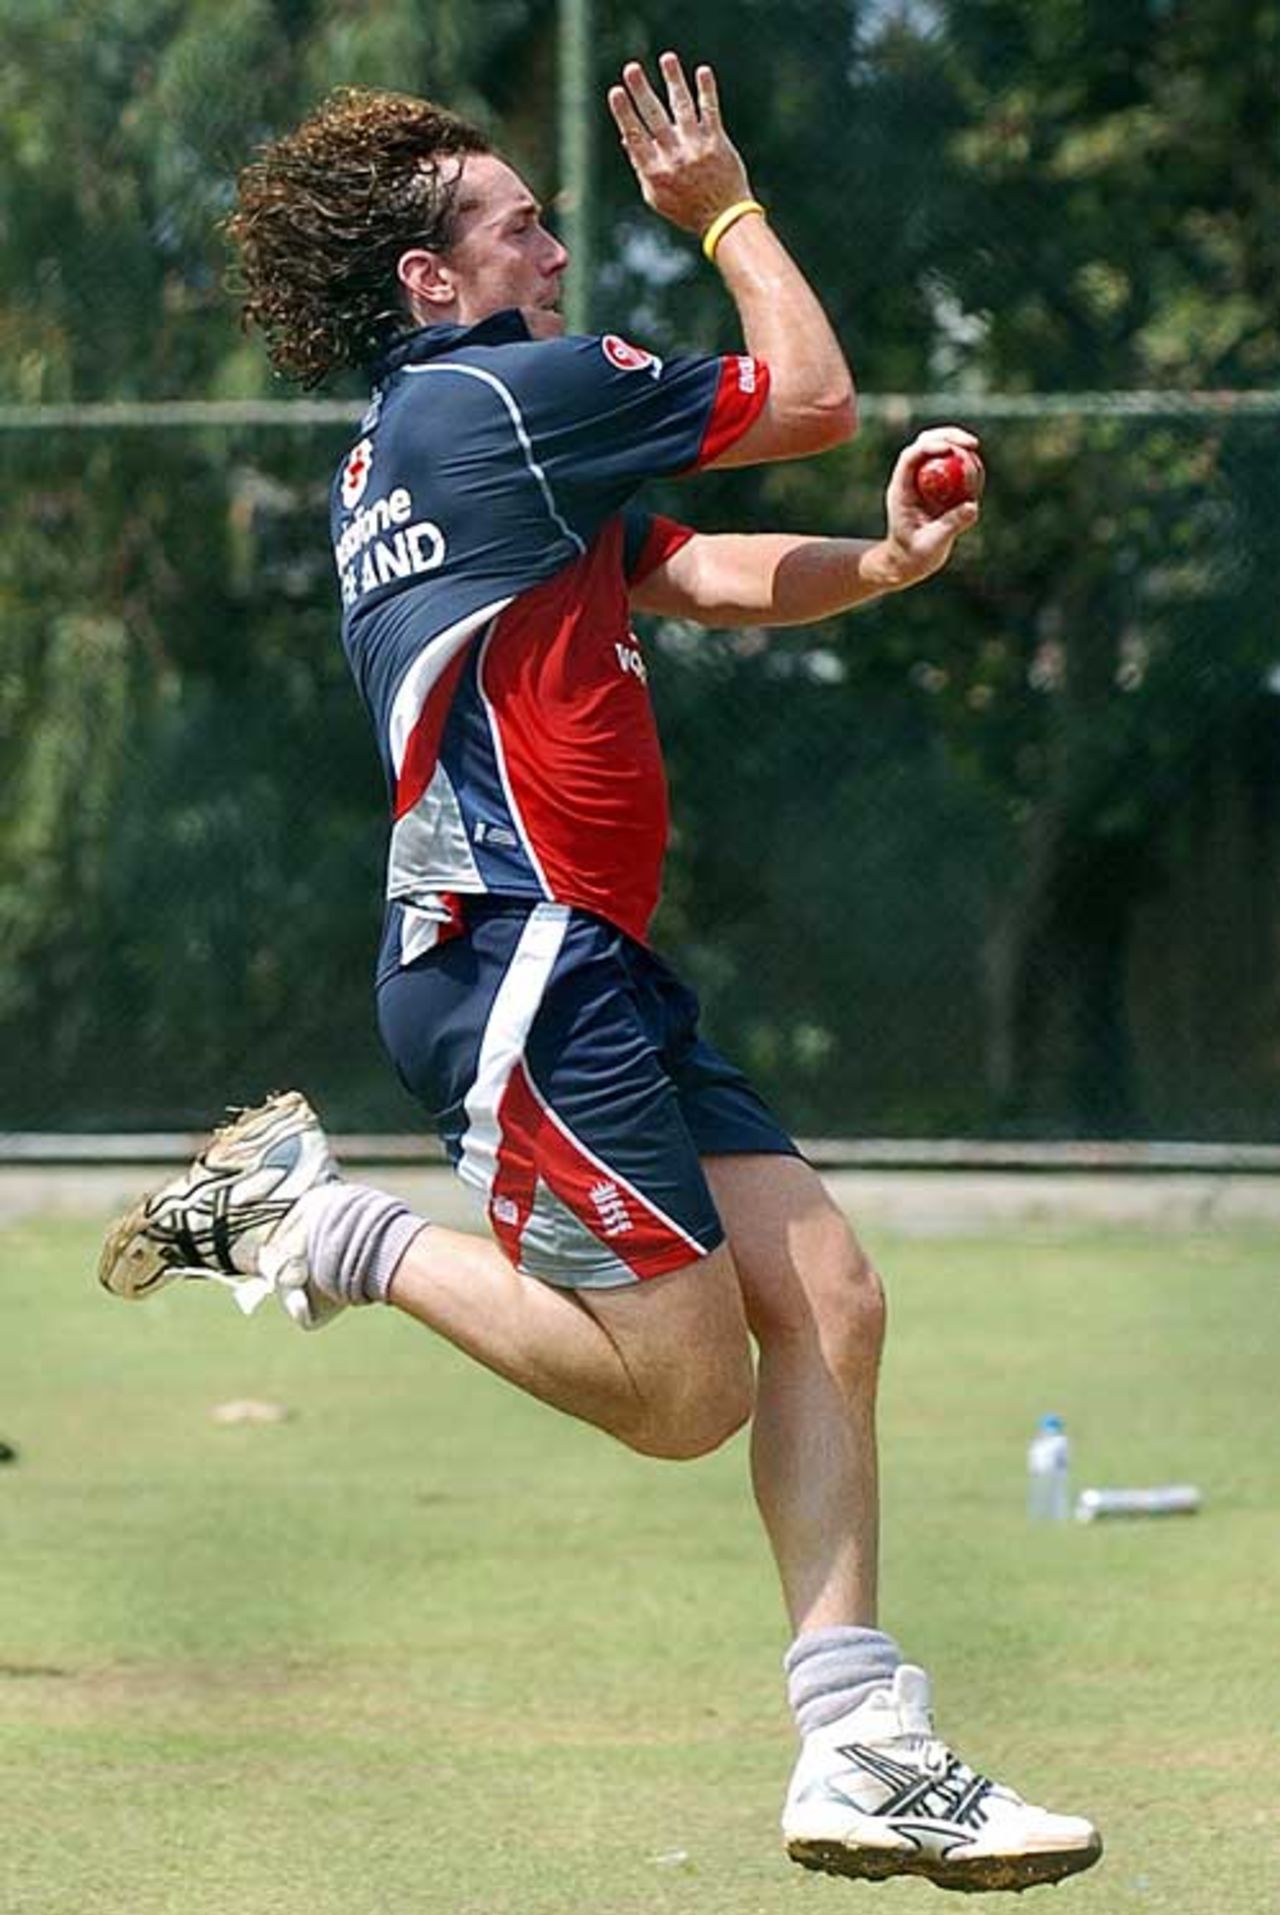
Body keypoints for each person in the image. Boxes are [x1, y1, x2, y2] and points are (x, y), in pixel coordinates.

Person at [98, 54, 1101, 1893]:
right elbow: (810, 394)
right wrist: (718, 205)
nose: (559, 250)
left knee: (838, 1305)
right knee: (684, 1393)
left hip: (577, 961)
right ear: (430, 276)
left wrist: (880, 560)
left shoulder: (443, 434)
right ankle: (328, 1232)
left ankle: (862, 1747)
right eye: (521, 223)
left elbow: (698, 571)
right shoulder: (504, 392)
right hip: (518, 963)